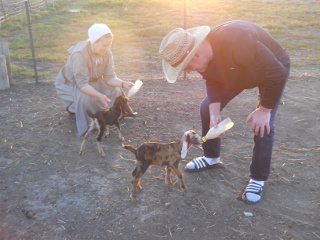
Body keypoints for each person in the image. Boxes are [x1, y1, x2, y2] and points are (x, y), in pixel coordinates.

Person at [159, 20, 290, 204]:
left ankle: (258, 178)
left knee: (262, 124)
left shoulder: (237, 39)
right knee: (207, 107)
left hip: (271, 69)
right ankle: (211, 157)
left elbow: (277, 72)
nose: (189, 71)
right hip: (238, 70)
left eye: (186, 67)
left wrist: (264, 110)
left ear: (195, 55)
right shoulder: (204, 56)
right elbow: (212, 78)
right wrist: (214, 112)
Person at [55, 23, 136, 137]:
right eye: (104, 45)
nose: (107, 48)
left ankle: (103, 113)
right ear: (94, 41)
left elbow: (109, 77)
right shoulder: (79, 55)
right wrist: (99, 95)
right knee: (86, 98)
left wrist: (123, 84)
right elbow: (82, 84)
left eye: (109, 45)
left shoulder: (106, 52)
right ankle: (74, 112)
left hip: (92, 82)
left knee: (116, 91)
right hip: (73, 84)